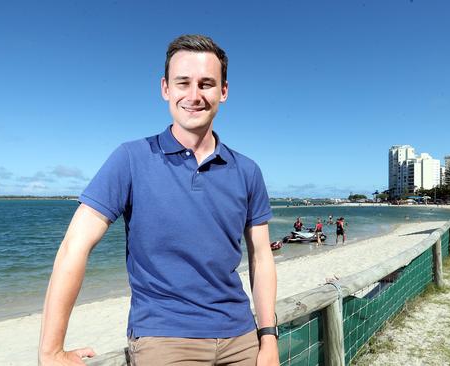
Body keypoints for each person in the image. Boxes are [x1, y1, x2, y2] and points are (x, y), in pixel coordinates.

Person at [38, 35, 279, 366]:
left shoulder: (247, 171)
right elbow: (73, 247)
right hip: (165, 339)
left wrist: (268, 337)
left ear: (223, 91)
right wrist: (51, 351)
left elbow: (262, 257)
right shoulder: (130, 159)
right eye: (183, 83)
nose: (194, 96)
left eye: (206, 84)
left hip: (241, 336)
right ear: (165, 88)